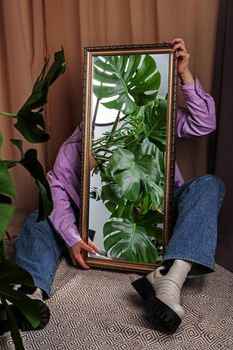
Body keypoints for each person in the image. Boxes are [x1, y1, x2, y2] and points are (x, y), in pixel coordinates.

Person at [0, 38, 224, 335]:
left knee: (209, 184)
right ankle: (27, 294)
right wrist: (70, 237)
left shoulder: (154, 118)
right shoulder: (78, 144)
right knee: (39, 217)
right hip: (93, 229)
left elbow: (203, 123)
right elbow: (54, 189)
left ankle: (169, 278)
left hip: (161, 215)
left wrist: (184, 75)